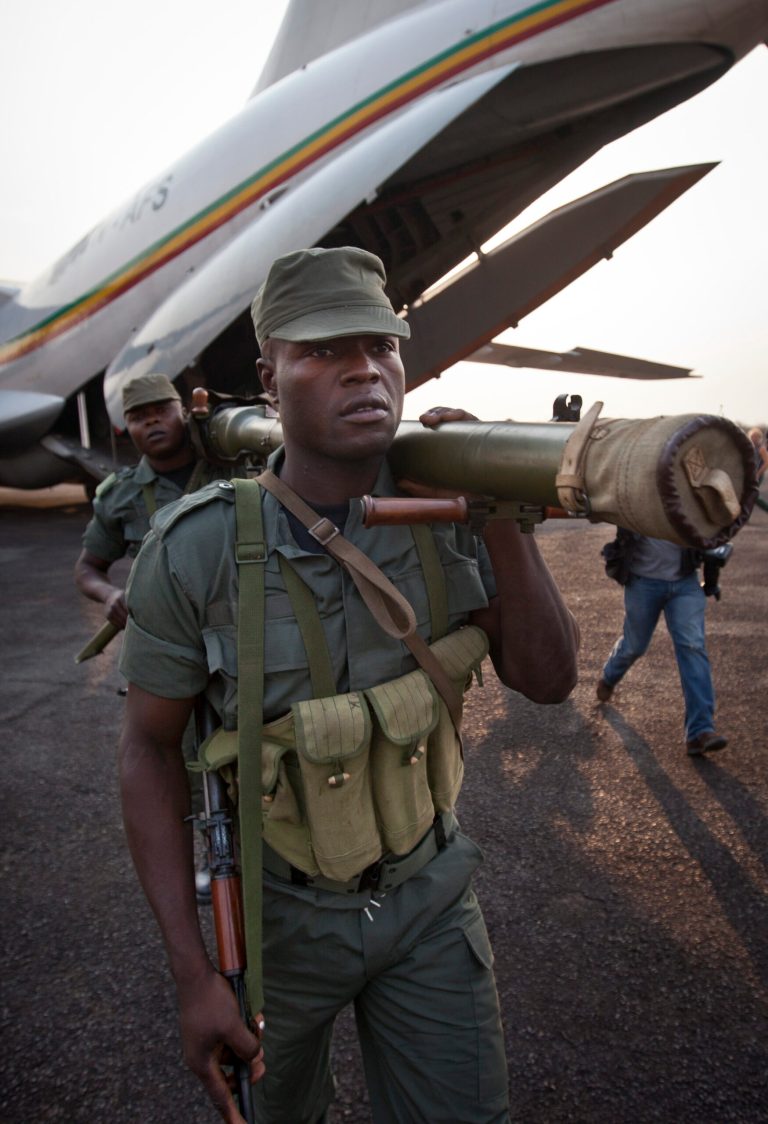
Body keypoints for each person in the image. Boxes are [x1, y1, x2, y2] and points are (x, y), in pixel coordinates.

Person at [117, 246, 580, 1124]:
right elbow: (147, 748)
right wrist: (192, 973)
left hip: (429, 898)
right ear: (270, 376)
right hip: (272, 922)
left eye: (380, 346)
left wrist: (500, 518)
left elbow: (549, 682)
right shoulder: (196, 548)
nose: (364, 368)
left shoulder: (452, 511)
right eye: (323, 351)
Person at [75, 371, 242, 900]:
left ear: (182, 412)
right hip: (171, 650)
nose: (152, 421)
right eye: (138, 415)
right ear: (127, 429)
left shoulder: (232, 463)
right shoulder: (120, 496)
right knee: (183, 759)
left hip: (240, 637)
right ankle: (214, 864)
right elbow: (88, 568)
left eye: (160, 410)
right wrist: (109, 596)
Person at [596, 530, 727, 756]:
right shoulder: (635, 495)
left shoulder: (688, 496)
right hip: (641, 582)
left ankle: (700, 731)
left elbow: (712, 524)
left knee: (692, 647)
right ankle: (610, 676)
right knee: (634, 645)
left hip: (685, 582)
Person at [747, 426, 768, 512]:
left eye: (756, 437)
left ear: (759, 438)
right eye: (752, 436)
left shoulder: (761, 448)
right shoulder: (749, 446)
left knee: (753, 495)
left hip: (758, 474)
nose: (754, 438)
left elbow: (767, 463)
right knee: (748, 495)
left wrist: (758, 473)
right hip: (750, 474)